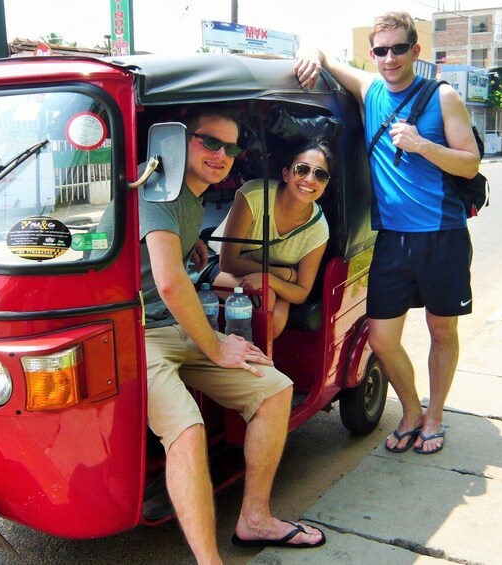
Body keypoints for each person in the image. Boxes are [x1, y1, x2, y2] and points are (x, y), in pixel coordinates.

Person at [138, 107, 325, 562]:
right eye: (209, 142)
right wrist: (217, 345)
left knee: (275, 389)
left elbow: (173, 267)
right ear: (179, 142)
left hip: (174, 324)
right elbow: (167, 282)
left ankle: (254, 518)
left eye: (230, 147)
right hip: (138, 332)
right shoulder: (156, 192)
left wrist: (190, 246)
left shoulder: (190, 198)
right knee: (187, 431)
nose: (220, 154)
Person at [294, 11, 480, 455]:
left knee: (441, 332)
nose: (390, 57)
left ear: (416, 50)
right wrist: (307, 53)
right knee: (381, 337)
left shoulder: (443, 96)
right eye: (381, 50)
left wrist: (422, 145)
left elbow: (470, 161)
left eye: (399, 48)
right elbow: (322, 56)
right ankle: (411, 410)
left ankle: (435, 417)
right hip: (392, 240)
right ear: (373, 53)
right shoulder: (371, 89)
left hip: (442, 234)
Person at [208, 139, 332, 338]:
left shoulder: (318, 229)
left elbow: (301, 292)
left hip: (269, 279)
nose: (310, 179)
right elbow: (228, 261)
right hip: (223, 266)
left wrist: (270, 279)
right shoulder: (254, 195)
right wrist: (284, 275)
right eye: (301, 169)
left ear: (325, 184)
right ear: (286, 173)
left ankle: (258, 363)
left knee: (276, 320)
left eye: (320, 174)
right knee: (265, 298)